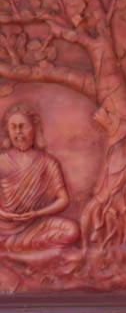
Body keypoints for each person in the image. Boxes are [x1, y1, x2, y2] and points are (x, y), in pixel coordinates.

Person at [0, 103, 79, 251]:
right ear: (7, 131)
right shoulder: (1, 161)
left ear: (34, 130)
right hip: (3, 227)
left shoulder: (48, 162)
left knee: (72, 230)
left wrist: (37, 214)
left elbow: (63, 200)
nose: (18, 132)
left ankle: (15, 249)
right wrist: (3, 214)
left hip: (35, 224)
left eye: (23, 126)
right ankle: (21, 249)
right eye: (14, 127)